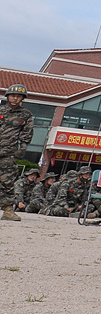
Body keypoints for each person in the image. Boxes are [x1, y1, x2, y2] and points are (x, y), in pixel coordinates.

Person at [1, 84, 34, 222]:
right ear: (8, 96)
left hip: (9, 153)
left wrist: (21, 149)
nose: (15, 98)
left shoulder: (26, 115)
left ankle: (8, 210)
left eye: (18, 96)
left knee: (7, 182)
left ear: (22, 98)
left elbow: (27, 134)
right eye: (13, 95)